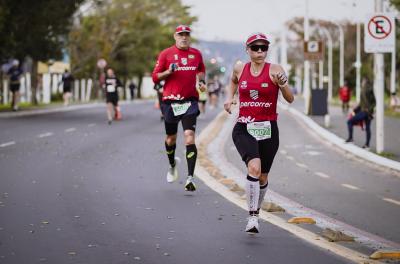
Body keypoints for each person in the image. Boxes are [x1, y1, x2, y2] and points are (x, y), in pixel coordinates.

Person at [224, 33, 294, 233]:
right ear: (248, 50)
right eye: (255, 48)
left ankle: (257, 210)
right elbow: (233, 80)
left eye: (264, 48)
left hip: (268, 128)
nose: (260, 51)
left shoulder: (275, 70)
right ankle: (252, 217)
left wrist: (283, 84)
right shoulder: (240, 68)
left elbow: (290, 99)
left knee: (263, 176)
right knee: (254, 168)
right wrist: (230, 98)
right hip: (244, 127)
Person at [152, 25, 206, 192]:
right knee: (171, 139)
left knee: (189, 137)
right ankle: (172, 164)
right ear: (175, 36)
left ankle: (190, 178)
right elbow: (155, 77)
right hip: (170, 102)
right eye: (181, 35)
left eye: (186, 35)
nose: (184, 37)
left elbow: (201, 70)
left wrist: (201, 82)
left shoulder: (196, 54)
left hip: (190, 102)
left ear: (189, 37)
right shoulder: (166, 54)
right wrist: (168, 71)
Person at [345, 77, 376, 149]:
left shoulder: (365, 90)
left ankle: (350, 138)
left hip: (365, 112)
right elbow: (373, 102)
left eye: (362, 81)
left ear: (364, 82)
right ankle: (367, 145)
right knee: (368, 128)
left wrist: (356, 110)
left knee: (350, 121)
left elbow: (363, 103)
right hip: (368, 113)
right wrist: (370, 110)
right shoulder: (370, 89)